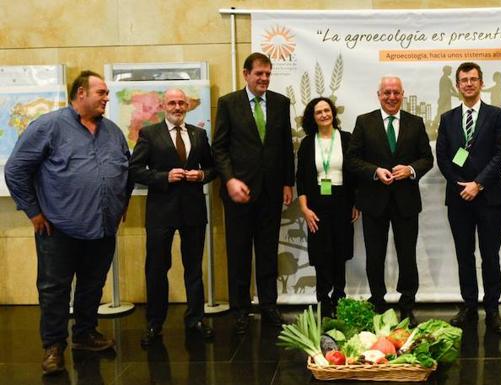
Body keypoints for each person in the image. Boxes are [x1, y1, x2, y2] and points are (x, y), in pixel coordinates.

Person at [4, 70, 132, 375]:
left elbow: (126, 169)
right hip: (58, 227)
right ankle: (53, 347)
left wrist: (121, 203)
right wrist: (33, 211)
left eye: (106, 93)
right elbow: (16, 170)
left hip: (102, 227)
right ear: (80, 94)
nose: (106, 98)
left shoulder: (112, 131)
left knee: (92, 285)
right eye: (101, 92)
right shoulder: (48, 127)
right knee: (54, 289)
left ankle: (85, 334)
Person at [213, 52, 294, 334]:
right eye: (259, 74)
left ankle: (269, 306)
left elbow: (285, 147)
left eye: (268, 74)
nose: (264, 79)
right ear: (246, 74)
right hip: (239, 193)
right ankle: (240, 310)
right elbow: (219, 148)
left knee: (268, 251)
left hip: (271, 191)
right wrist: (230, 180)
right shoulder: (228, 104)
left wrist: (287, 183)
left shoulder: (281, 103)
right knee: (238, 252)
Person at [129, 88, 216, 347]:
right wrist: (163, 177)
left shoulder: (199, 135)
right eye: (172, 103)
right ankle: (155, 323)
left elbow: (212, 167)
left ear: (187, 105)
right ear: (163, 106)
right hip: (160, 212)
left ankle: (196, 319)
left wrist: (201, 176)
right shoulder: (149, 133)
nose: (177, 107)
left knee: (193, 268)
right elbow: (134, 170)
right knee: (156, 268)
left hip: (193, 212)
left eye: (181, 103)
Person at [347, 76, 433, 326]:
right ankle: (378, 303)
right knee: (375, 255)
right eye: (387, 93)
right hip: (374, 201)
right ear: (379, 95)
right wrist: (375, 171)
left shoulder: (415, 123)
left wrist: (410, 169)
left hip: (406, 201)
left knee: (407, 255)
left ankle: (407, 304)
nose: (392, 97)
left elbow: (427, 159)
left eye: (396, 92)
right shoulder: (364, 122)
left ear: (403, 94)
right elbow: (353, 159)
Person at [435, 62, 501, 334]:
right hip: (459, 199)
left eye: (473, 79)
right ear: (457, 85)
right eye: (463, 80)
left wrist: (477, 184)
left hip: (489, 198)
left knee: (490, 256)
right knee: (464, 255)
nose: (468, 84)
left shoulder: (496, 115)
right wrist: (460, 185)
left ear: (481, 83)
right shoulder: (448, 118)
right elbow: (442, 157)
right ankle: (469, 306)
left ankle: (492, 309)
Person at [296, 97, 359, 318]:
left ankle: (339, 297)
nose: (324, 114)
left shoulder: (347, 138)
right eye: (318, 112)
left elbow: (355, 173)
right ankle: (323, 300)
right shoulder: (307, 143)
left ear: (333, 113)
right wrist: (304, 208)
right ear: (312, 118)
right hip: (316, 203)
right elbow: (301, 179)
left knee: (340, 251)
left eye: (327, 110)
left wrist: (356, 203)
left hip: (342, 201)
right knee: (321, 253)